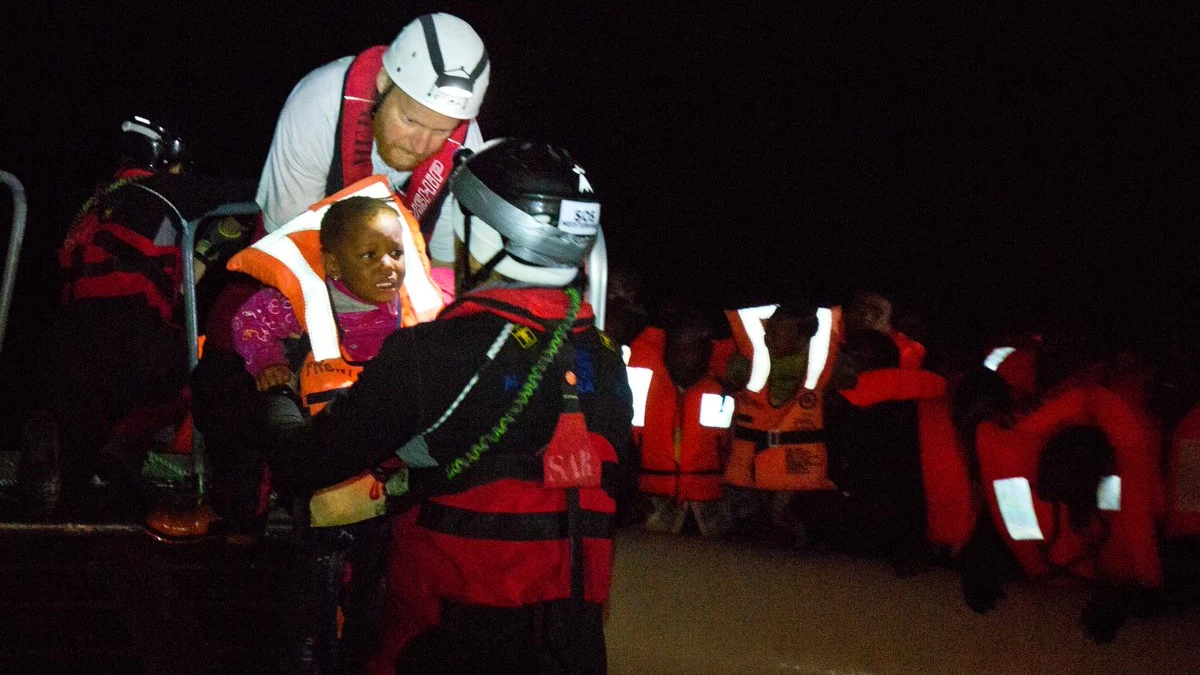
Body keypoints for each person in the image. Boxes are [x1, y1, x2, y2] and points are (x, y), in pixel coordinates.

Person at [265, 139, 632, 675]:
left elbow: (302, 464)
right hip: (568, 645)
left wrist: (274, 392)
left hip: (443, 641)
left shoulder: (427, 354)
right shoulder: (605, 359)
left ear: (480, 231)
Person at [40, 114, 254, 514]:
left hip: (69, 332)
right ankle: (120, 447)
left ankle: (76, 470)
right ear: (161, 158)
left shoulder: (99, 199)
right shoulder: (166, 191)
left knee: (79, 461)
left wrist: (208, 251)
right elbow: (253, 192)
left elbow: (156, 268)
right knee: (202, 379)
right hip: (129, 329)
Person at [256, 12, 489, 278]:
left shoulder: (464, 150)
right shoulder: (318, 108)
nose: (421, 145)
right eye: (410, 119)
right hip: (305, 261)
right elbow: (288, 245)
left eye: (441, 130)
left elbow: (446, 265)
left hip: (396, 286)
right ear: (384, 82)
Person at [721, 303, 841, 548]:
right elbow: (731, 383)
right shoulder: (745, 363)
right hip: (750, 474)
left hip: (797, 481)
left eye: (777, 330)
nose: (767, 334)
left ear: (803, 338)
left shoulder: (830, 370)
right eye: (769, 328)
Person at [629, 305, 733, 537]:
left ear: (707, 352)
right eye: (676, 349)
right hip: (652, 505)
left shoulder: (727, 386)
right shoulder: (644, 384)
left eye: (691, 349)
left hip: (711, 510)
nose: (683, 358)